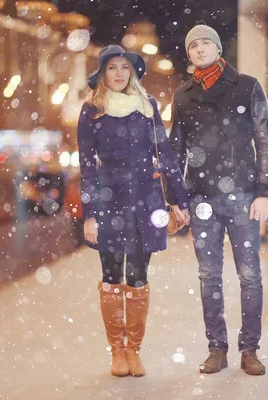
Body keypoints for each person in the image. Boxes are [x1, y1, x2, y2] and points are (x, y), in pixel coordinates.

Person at [168, 22, 268, 375]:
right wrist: (177, 199)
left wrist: (263, 193)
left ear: (217, 49)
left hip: (243, 195)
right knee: (209, 276)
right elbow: (175, 150)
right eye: (193, 45)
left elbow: (264, 142)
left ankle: (250, 349)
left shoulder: (246, 87)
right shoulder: (183, 95)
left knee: (249, 276)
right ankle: (217, 348)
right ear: (189, 54)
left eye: (205, 44)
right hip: (202, 200)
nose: (199, 49)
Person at [77, 45, 190, 378]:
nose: (119, 74)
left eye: (125, 67)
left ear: (133, 73)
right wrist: (90, 213)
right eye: (112, 67)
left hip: (146, 198)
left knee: (138, 277)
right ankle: (116, 351)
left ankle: (134, 351)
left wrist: (178, 199)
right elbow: (86, 166)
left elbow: (165, 153)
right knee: (112, 277)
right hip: (108, 198)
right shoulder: (92, 110)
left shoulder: (147, 105)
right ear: (102, 73)